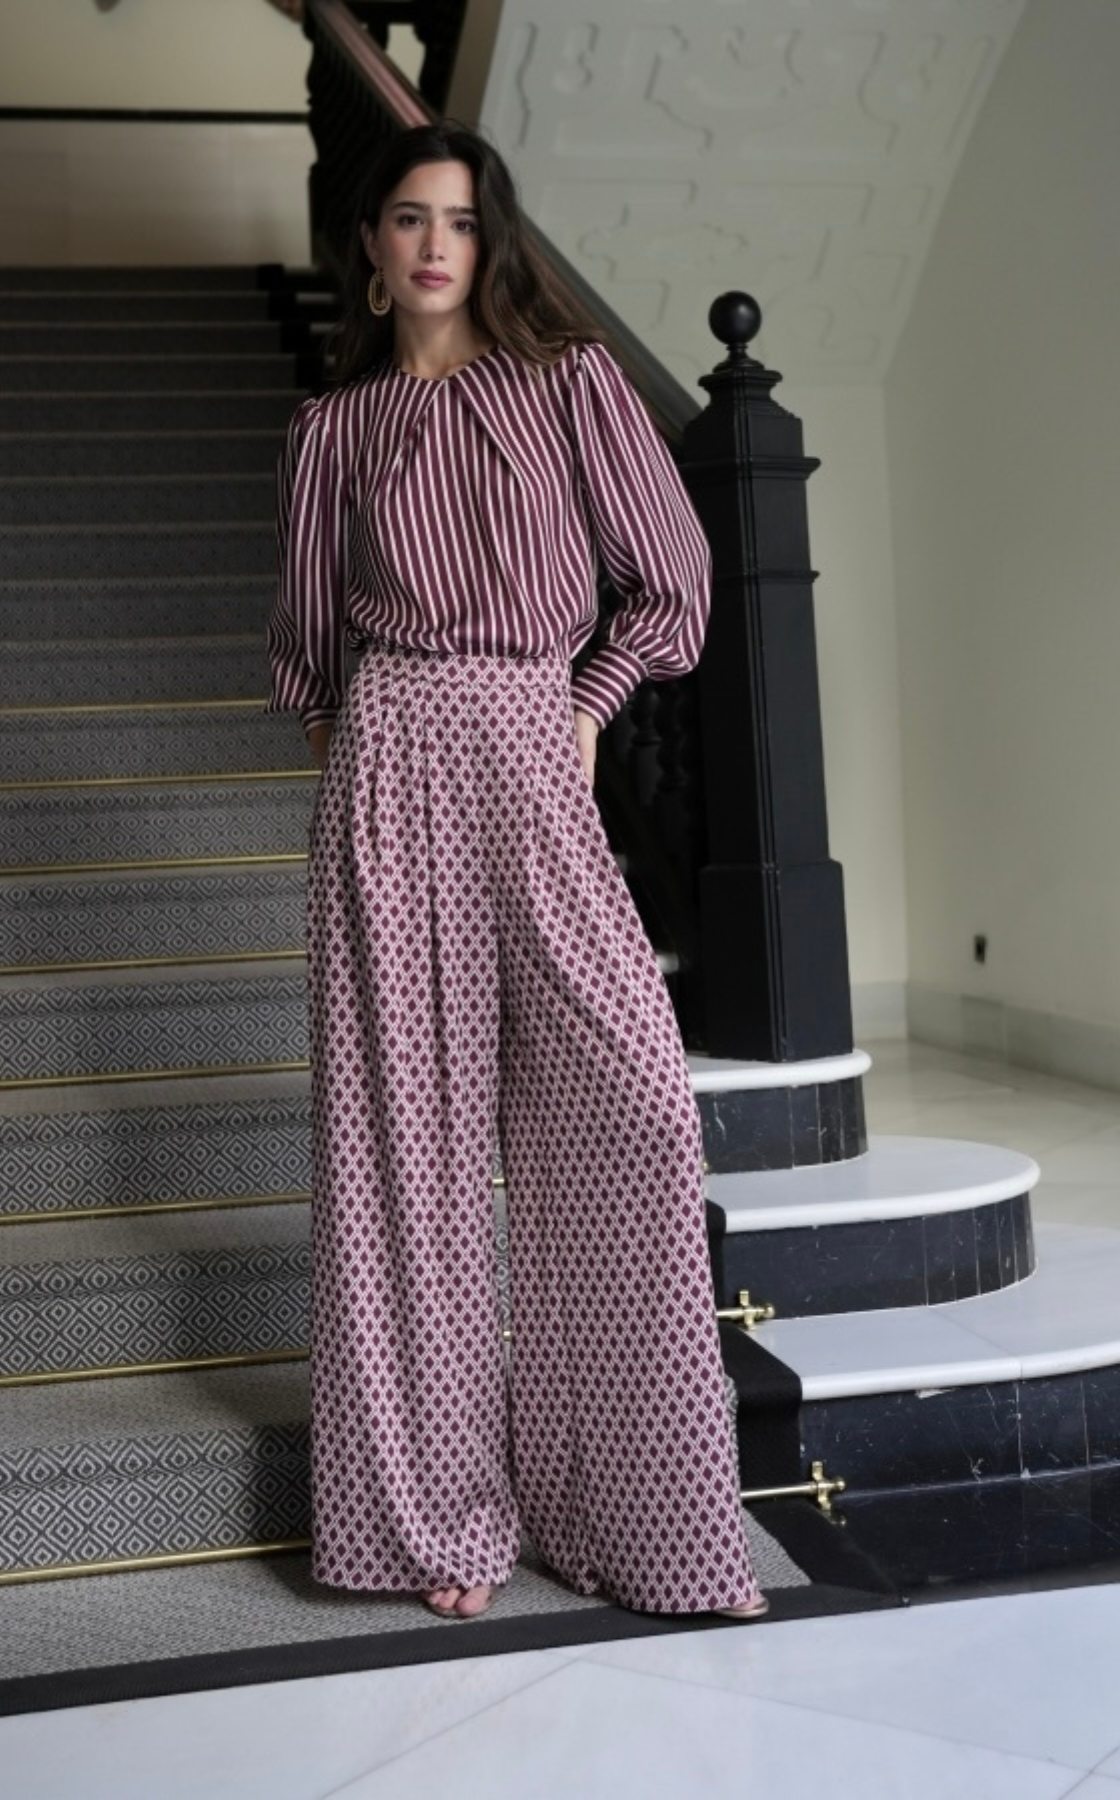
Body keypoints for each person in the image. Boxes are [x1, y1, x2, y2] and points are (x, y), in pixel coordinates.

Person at [267, 121, 766, 1625]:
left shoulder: (572, 387)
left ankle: (641, 1511)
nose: (434, 244)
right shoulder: (328, 437)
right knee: (403, 1160)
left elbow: (670, 583)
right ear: (369, 248)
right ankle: (432, 1523)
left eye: (463, 221)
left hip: (537, 753)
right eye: (408, 218)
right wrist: (382, 759)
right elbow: (306, 656)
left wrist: (582, 705)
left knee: (630, 1108)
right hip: (390, 762)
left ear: (495, 242)